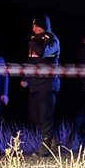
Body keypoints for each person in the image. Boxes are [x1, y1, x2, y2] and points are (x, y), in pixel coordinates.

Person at [22, 15, 61, 156]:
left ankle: (46, 146)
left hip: (47, 84)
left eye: (35, 25)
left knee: (46, 116)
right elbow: (30, 61)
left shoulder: (52, 39)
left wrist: (32, 42)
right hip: (34, 84)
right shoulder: (36, 41)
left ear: (41, 26)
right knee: (35, 114)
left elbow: (43, 52)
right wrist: (25, 77)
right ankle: (54, 141)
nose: (33, 28)